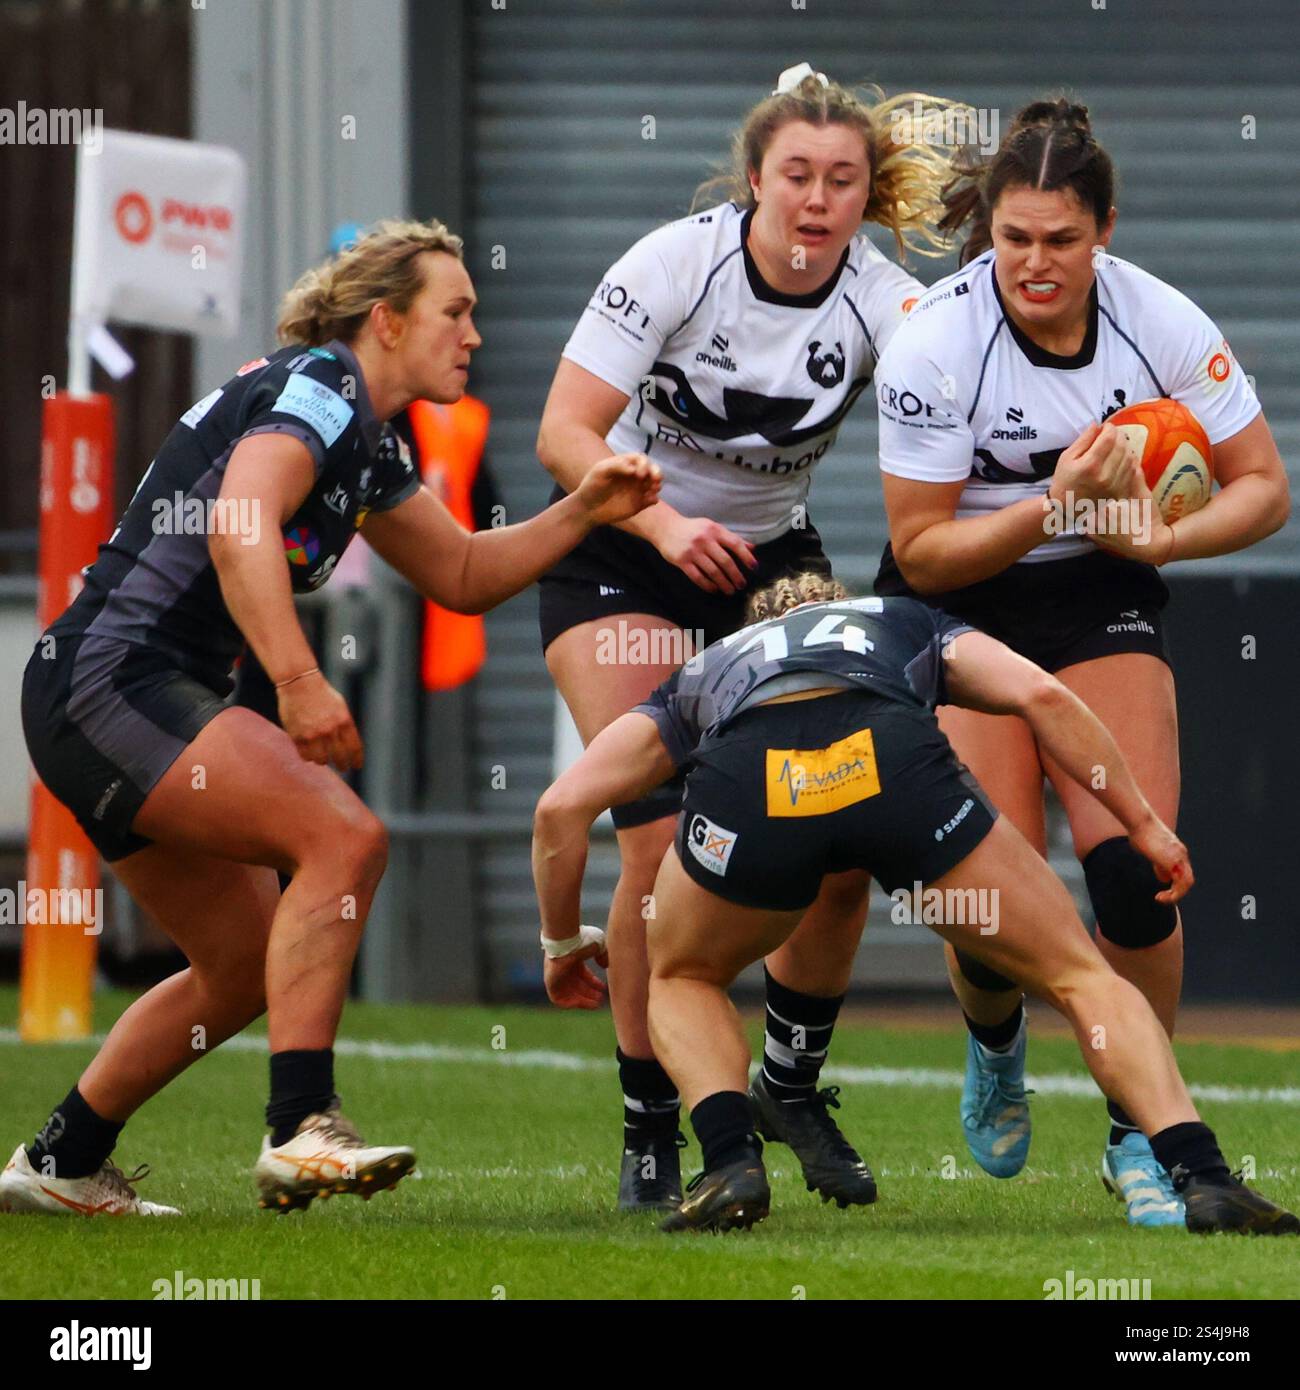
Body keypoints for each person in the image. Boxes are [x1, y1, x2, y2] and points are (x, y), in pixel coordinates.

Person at [1, 219, 660, 1217]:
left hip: (100, 696)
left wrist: (583, 508)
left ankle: (59, 1159)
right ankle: (301, 1126)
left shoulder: (370, 436)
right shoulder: (322, 384)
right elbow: (237, 525)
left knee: (237, 965)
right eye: (456, 311)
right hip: (113, 682)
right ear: (386, 321)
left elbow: (462, 573)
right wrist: (300, 680)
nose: (474, 334)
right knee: (341, 834)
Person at [532, 575, 1298, 1237]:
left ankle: (731, 1160)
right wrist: (1140, 822)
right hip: (892, 765)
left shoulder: (707, 668)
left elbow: (560, 812)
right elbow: (1040, 692)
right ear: (841, 606)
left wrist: (563, 942)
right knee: (1080, 977)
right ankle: (1202, 1173)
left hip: (753, 780)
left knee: (682, 975)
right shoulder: (901, 618)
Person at [535, 61, 966, 1211]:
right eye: (795, 177)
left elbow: (970, 385)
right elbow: (565, 432)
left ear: (864, 196)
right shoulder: (675, 261)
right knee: (651, 850)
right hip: (621, 552)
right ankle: (650, 1125)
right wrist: (665, 522)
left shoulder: (883, 300)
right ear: (755, 180)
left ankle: (788, 1077)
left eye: (841, 181)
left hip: (771, 565)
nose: (816, 201)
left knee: (840, 826)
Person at [868, 97, 1291, 1226]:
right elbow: (919, 547)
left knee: (1134, 875)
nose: (1035, 264)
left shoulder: (1159, 318)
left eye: (1061, 240)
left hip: (1096, 592)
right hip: (956, 595)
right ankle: (994, 1036)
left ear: (1105, 230)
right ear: (988, 233)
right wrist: (1054, 498)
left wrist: (1162, 538)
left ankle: (1136, 1135)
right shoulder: (934, 338)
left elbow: (1262, 487)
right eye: (1014, 239)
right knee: (985, 906)